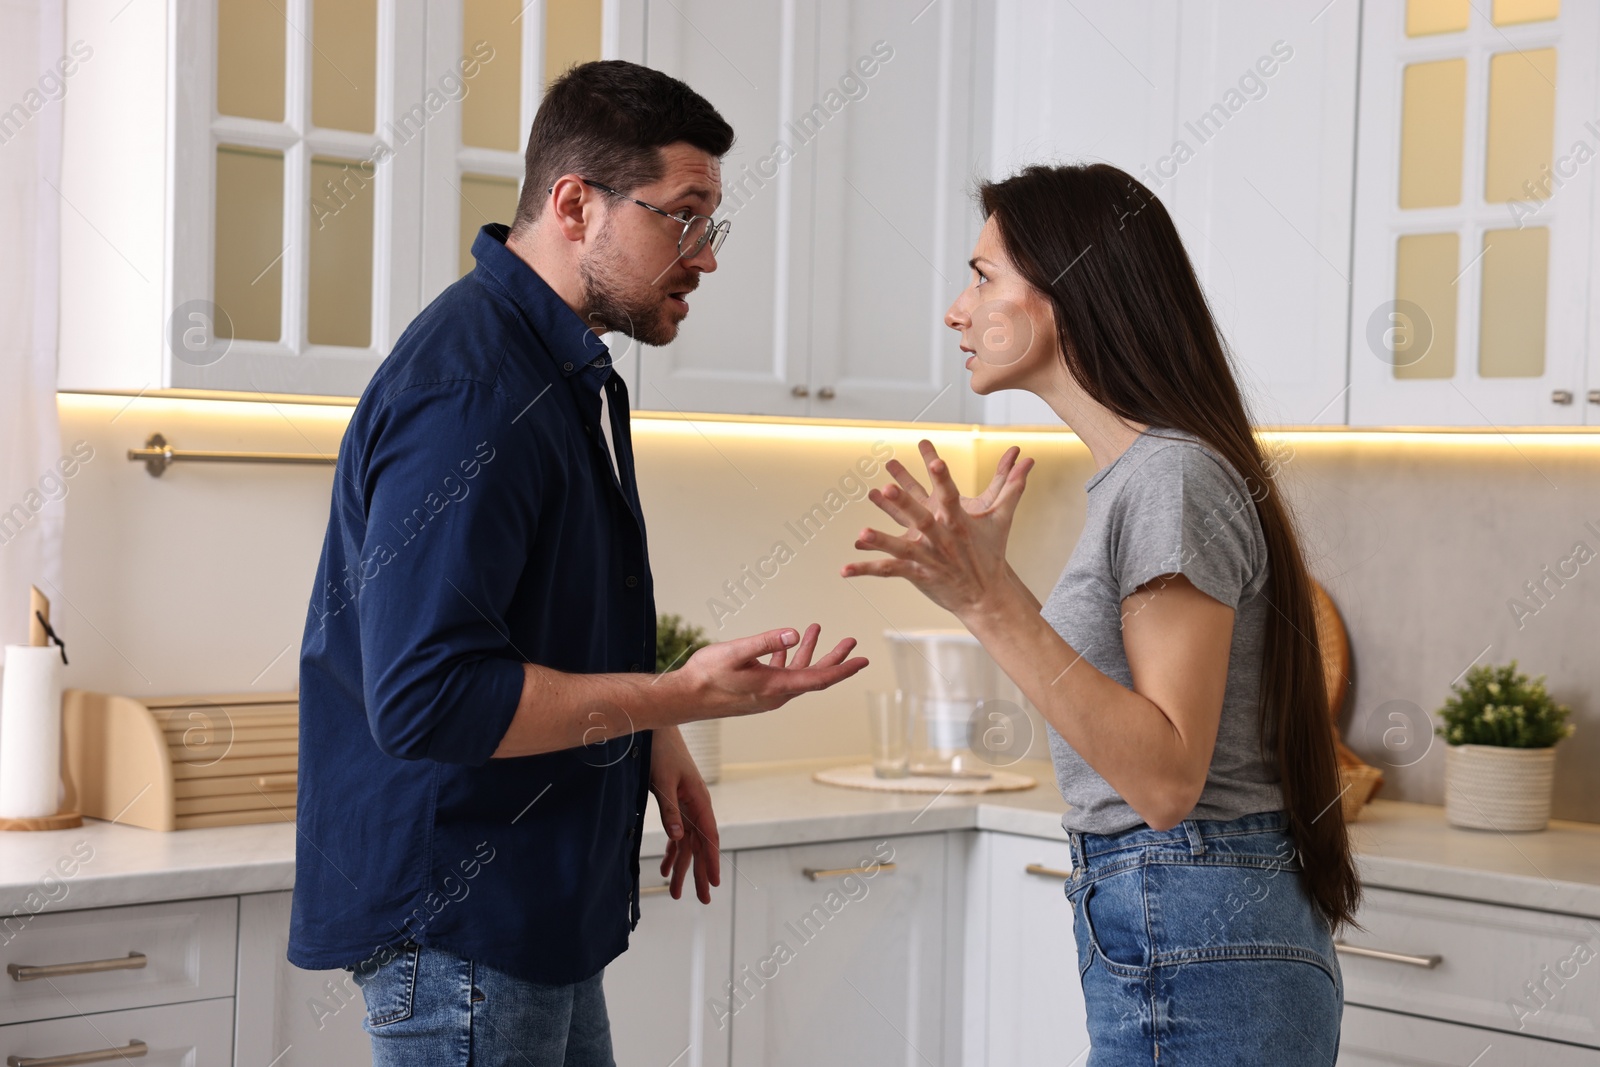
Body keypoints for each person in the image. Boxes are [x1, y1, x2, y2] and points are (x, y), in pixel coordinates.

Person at [292, 60, 867, 1066]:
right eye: (682, 217)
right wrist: (670, 697)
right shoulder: (474, 388)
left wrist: (655, 739)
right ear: (573, 204)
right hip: (464, 921)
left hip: (524, 909)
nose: (705, 256)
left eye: (710, 222)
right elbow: (430, 697)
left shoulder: (556, 368)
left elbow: (540, 620)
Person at [843, 162, 1359, 1065]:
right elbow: (1134, 728)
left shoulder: (1170, 477)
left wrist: (990, 600)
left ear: (1066, 289)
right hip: (1190, 913)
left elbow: (1163, 780)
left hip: (1195, 909)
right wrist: (986, 599)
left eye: (982, 275)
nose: (958, 310)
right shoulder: (1147, 476)